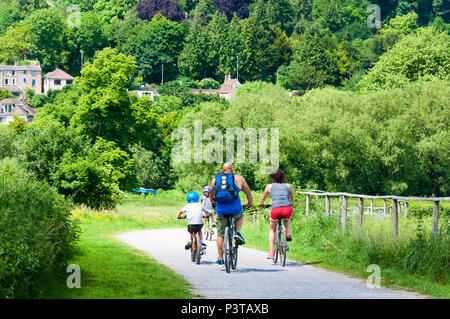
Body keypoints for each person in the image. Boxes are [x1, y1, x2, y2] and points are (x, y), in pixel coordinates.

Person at [210, 162, 253, 265]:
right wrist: (249, 204)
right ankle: (237, 233)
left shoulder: (216, 179)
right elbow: (248, 193)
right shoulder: (239, 179)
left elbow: (211, 192)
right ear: (232, 170)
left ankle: (220, 258)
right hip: (235, 209)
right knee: (239, 215)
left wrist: (213, 203)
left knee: (220, 235)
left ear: (222, 170)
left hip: (221, 210)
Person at [259, 169, 294, 259]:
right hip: (287, 208)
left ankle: (271, 253)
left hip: (275, 209)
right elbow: (292, 199)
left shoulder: (269, 186)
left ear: (272, 178)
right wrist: (291, 203)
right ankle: (287, 231)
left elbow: (263, 198)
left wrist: (262, 204)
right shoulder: (289, 186)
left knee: (272, 230)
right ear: (283, 177)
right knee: (287, 218)